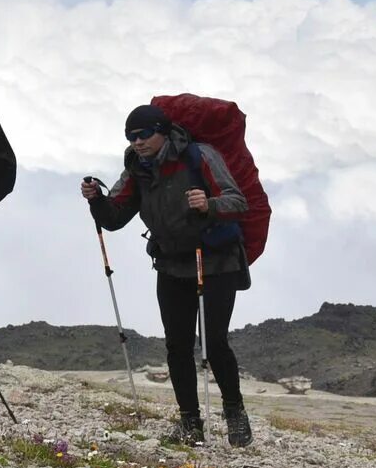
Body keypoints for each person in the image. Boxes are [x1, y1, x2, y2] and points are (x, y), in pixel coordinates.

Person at [82, 103, 253, 446]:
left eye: (144, 135)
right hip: (171, 263)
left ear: (163, 131)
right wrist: (97, 200)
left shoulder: (199, 155)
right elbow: (115, 217)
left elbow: (239, 201)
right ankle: (190, 422)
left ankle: (235, 415)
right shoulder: (137, 167)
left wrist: (209, 204)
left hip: (215, 261)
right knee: (177, 345)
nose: (137, 142)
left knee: (215, 342)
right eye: (131, 137)